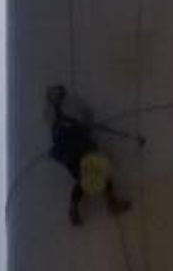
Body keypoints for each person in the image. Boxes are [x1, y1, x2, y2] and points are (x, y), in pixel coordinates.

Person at [46, 85, 133, 226]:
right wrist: (87, 126)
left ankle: (75, 208)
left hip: (68, 154)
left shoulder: (53, 118)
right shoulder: (66, 112)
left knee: (84, 177)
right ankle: (111, 202)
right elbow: (83, 122)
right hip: (78, 150)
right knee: (97, 170)